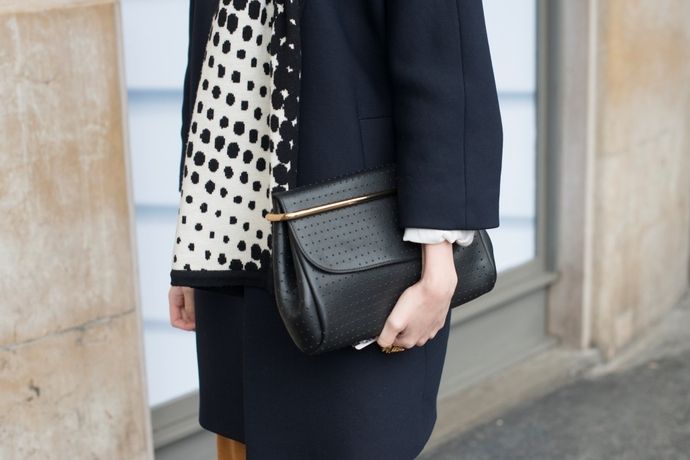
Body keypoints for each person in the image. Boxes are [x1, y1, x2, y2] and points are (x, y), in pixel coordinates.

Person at [168, 1, 502, 459]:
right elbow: (210, 71)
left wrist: (440, 265)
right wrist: (193, 252)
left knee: (350, 437)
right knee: (243, 438)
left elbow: (446, 61)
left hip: (357, 242)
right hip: (231, 243)